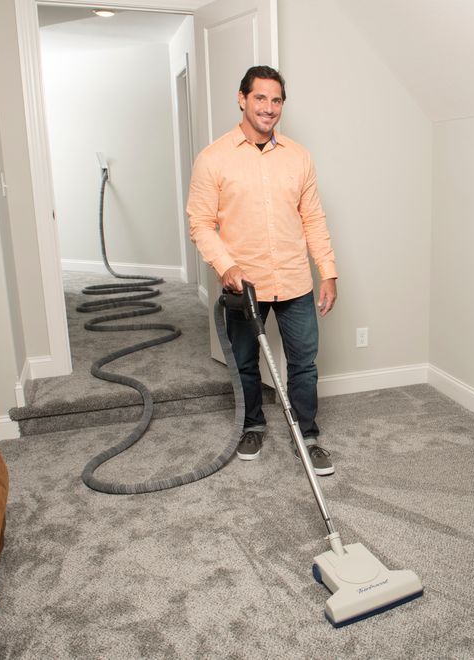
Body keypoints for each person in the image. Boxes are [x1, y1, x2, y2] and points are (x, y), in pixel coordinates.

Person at [187, 65, 338, 476]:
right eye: (260, 98)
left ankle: (307, 434)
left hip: (293, 280)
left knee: (304, 363)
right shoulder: (213, 159)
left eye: (276, 100)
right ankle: (252, 425)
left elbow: (314, 219)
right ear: (242, 98)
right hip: (244, 285)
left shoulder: (298, 157)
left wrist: (328, 271)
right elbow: (200, 222)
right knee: (244, 362)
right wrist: (226, 264)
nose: (268, 108)